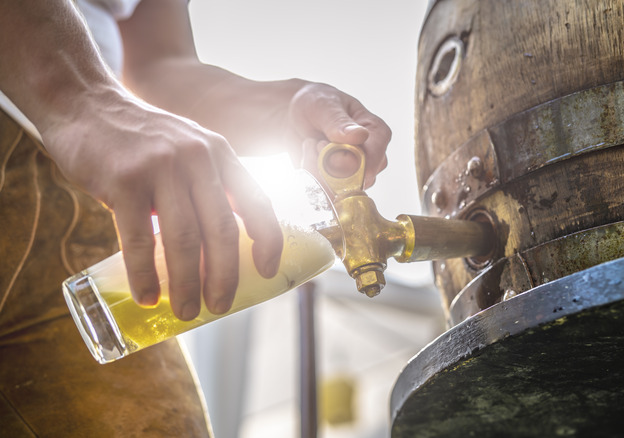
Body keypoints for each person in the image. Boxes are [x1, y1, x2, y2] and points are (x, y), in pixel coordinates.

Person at [0, 0, 391, 436]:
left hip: (85, 184)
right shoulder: (78, 100)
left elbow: (158, 65)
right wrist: (78, 96)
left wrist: (282, 109)